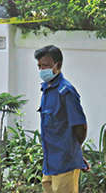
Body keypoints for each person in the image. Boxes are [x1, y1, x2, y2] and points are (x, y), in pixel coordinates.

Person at [34, 45, 88, 193]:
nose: (41, 70)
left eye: (45, 66)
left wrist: (74, 153)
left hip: (65, 163)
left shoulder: (66, 91)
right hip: (50, 163)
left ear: (57, 65)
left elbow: (80, 126)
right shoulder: (47, 89)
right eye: (39, 66)